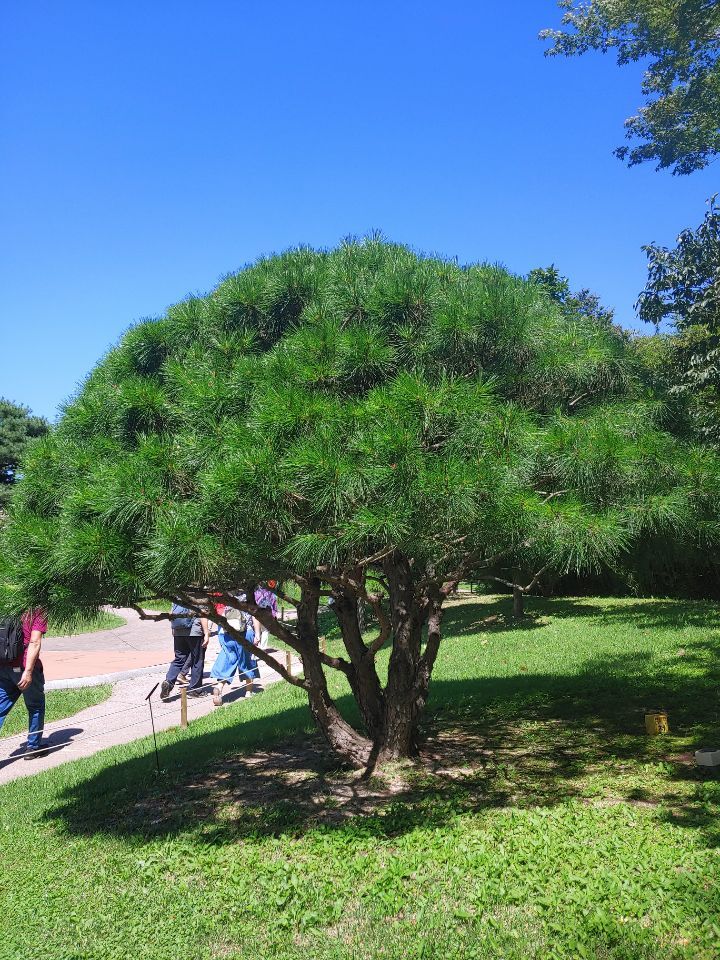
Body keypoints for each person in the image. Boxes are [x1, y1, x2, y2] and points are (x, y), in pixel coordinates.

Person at [0, 609, 49, 759]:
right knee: (35, 706)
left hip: (4, 667)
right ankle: (33, 747)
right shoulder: (38, 610)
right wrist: (28, 671)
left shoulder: (7, 603)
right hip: (24, 667)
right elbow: (35, 641)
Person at [211, 593, 259, 706]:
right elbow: (255, 615)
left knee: (228, 659)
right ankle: (248, 692)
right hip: (246, 632)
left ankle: (219, 687)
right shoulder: (249, 595)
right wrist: (257, 633)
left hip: (228, 633)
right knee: (247, 661)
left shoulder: (227, 594)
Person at [160, 603, 209, 700]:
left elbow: (172, 612)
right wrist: (206, 632)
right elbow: (203, 613)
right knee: (197, 660)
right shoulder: (198, 596)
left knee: (179, 659)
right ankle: (194, 690)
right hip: (194, 632)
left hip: (178, 631)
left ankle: (169, 681)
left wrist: (173, 628)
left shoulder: (178, 595)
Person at [253, 581, 279, 650]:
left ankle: (256, 648)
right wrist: (274, 614)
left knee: (259, 631)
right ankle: (262, 648)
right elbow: (274, 605)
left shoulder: (256, 592)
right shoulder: (272, 593)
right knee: (265, 631)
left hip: (257, 614)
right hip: (266, 614)